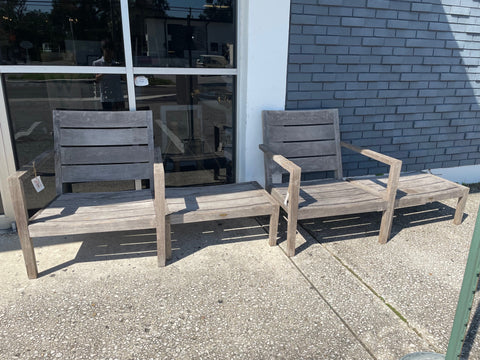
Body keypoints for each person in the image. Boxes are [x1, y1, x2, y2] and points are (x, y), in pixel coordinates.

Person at [93, 39, 125, 110]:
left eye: (111, 51)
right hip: (106, 98)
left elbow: (124, 79)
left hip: (118, 97)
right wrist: (107, 69)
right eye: (107, 51)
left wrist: (122, 69)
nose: (109, 54)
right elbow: (97, 79)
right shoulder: (97, 63)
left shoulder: (116, 64)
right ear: (103, 50)